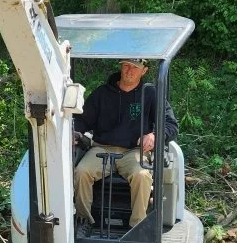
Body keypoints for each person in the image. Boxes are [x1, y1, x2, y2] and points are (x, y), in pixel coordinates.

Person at [73, 59, 179, 228]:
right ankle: (83, 221)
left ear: (144, 71)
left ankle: (137, 226)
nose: (129, 71)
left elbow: (171, 125)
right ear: (121, 67)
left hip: (134, 152)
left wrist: (154, 135)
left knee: (142, 175)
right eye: (126, 66)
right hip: (102, 148)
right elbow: (81, 121)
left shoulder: (150, 94)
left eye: (135, 68)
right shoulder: (102, 93)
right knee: (81, 172)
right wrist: (73, 133)